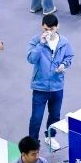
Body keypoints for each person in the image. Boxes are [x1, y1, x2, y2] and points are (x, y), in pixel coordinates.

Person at [26, 13, 73, 147]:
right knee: (36, 118)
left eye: (51, 29)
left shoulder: (64, 42)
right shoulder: (35, 41)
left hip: (57, 86)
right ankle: (33, 143)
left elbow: (69, 56)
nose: (49, 32)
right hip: (40, 86)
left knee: (55, 115)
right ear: (42, 27)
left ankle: (50, 137)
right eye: (46, 29)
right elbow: (31, 59)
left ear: (57, 27)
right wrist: (41, 44)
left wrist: (64, 65)